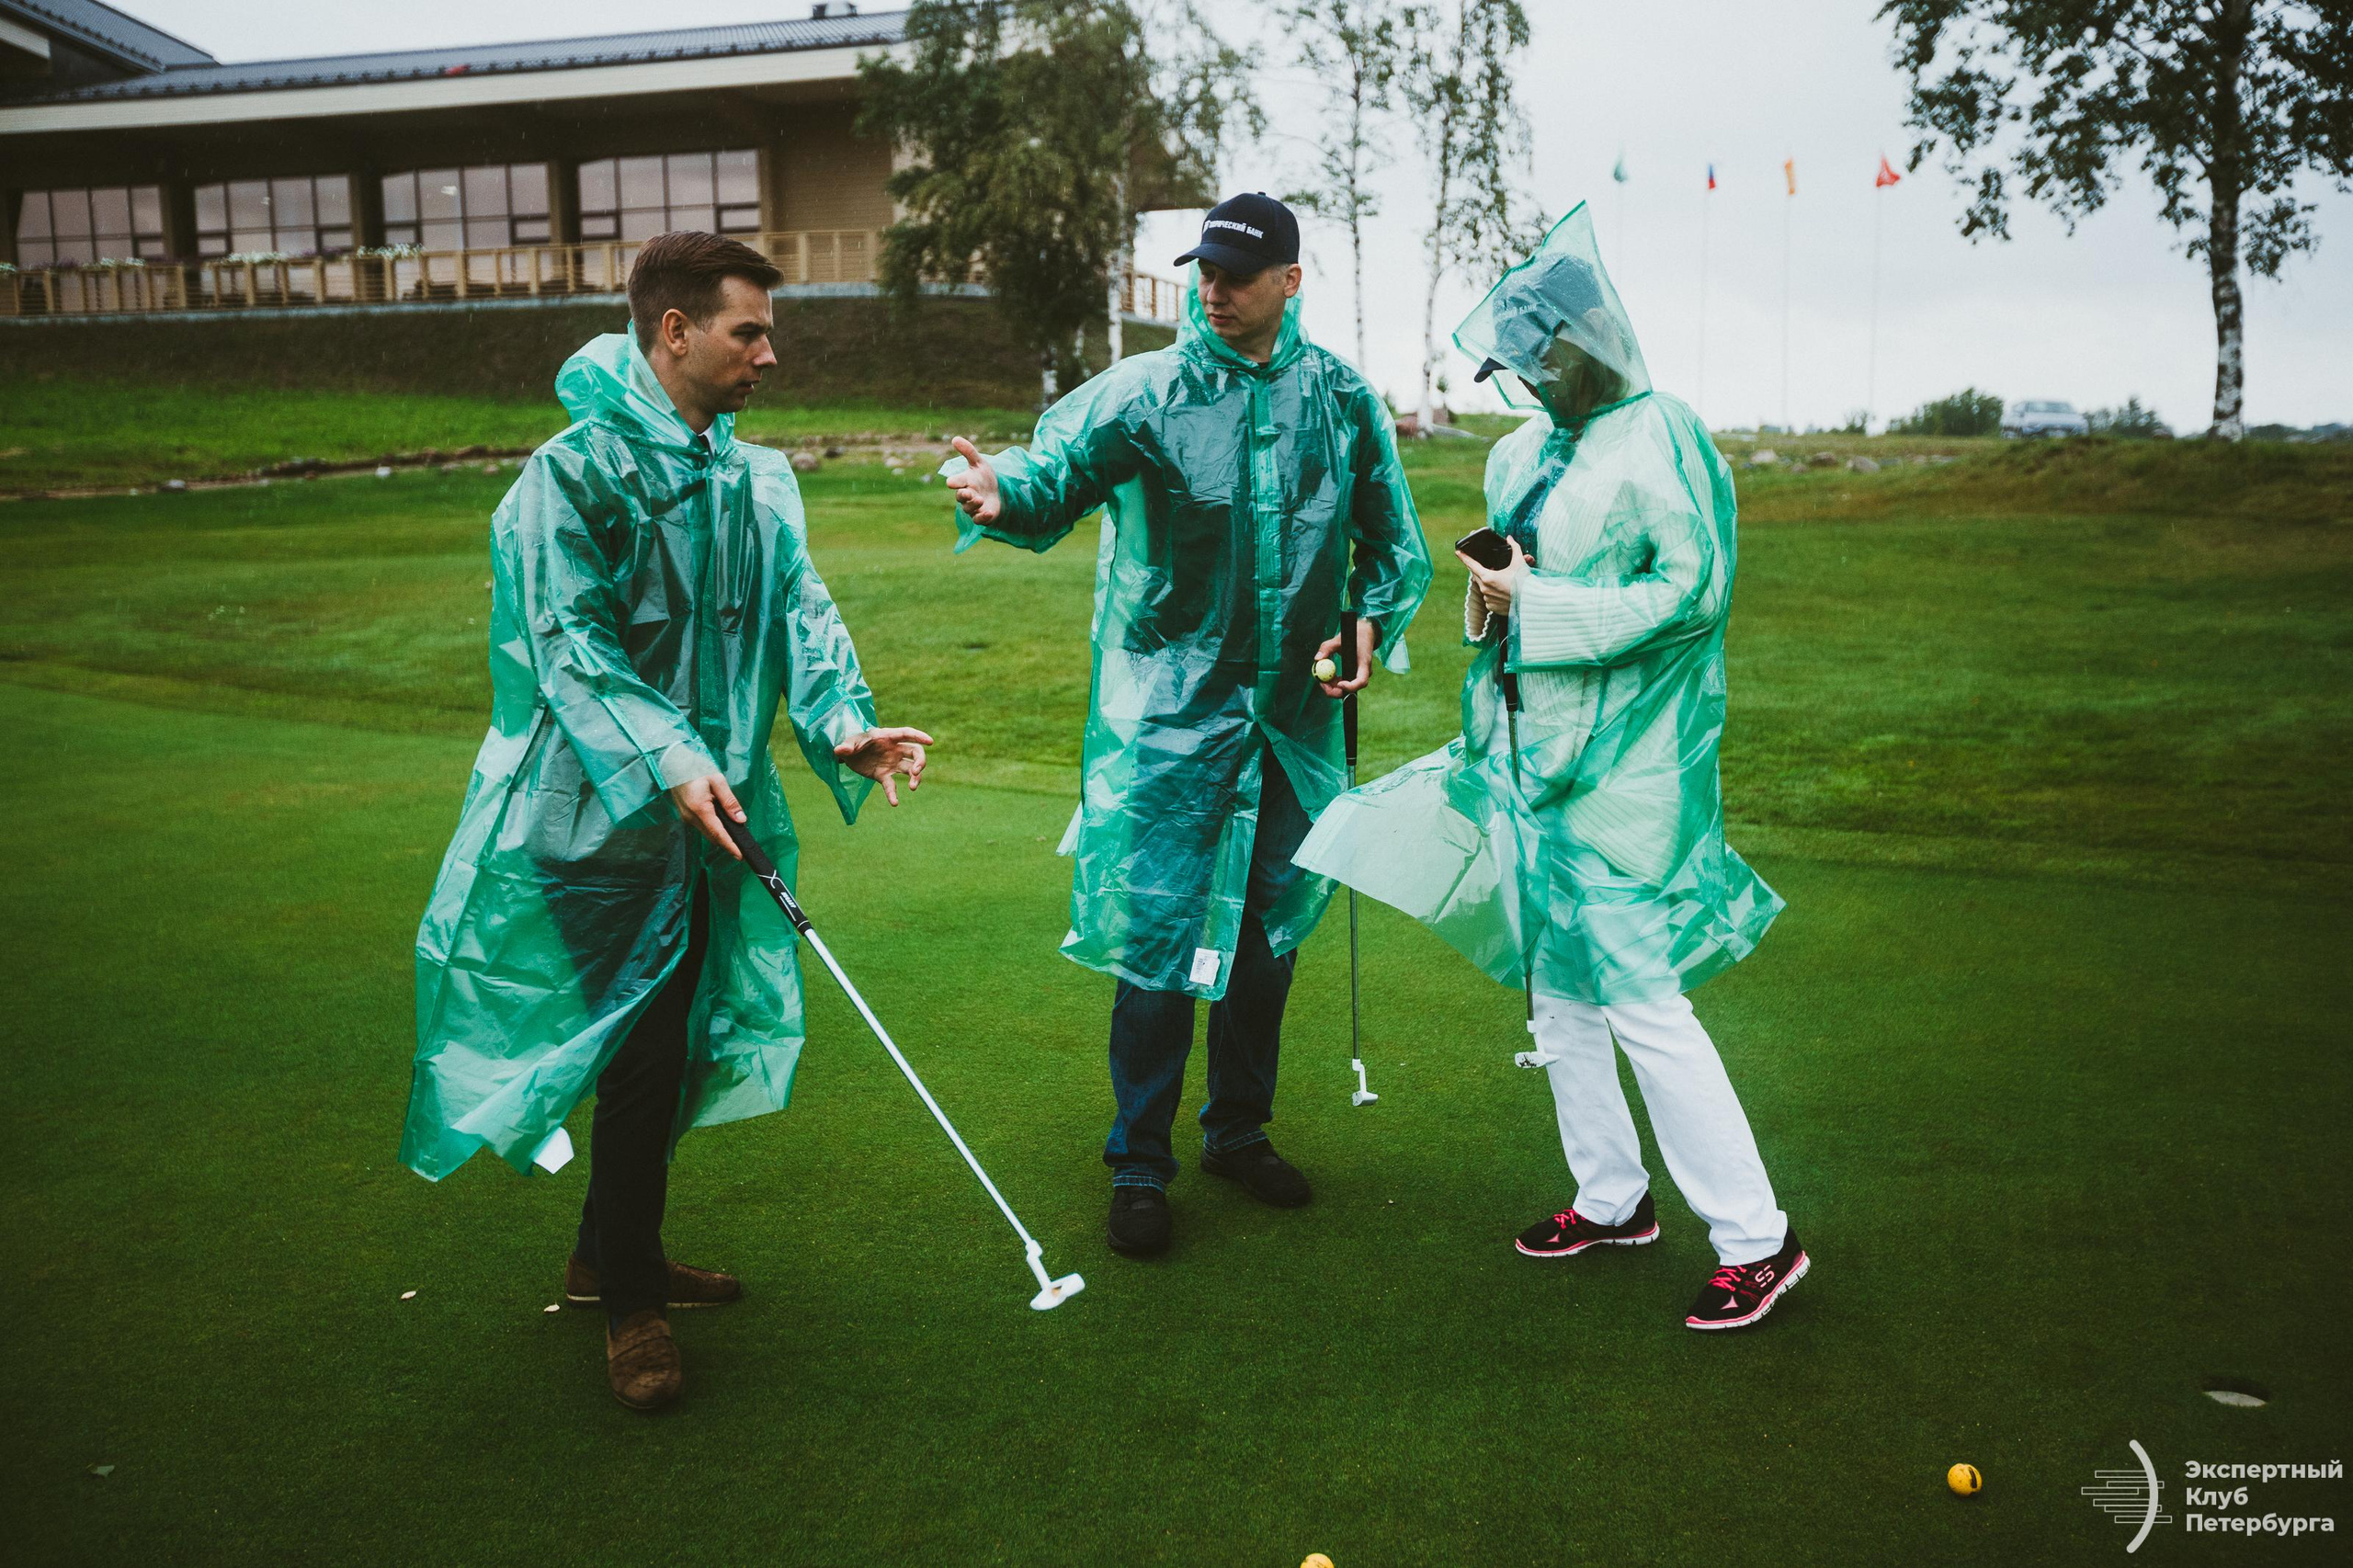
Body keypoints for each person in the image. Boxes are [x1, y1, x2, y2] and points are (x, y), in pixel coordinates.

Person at [402, 232, 934, 1409]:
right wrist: (672, 759)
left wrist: (845, 721)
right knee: (640, 1055)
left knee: (677, 1039)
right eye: (749, 330)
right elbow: (569, 644)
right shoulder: (571, 474)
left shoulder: (755, 478)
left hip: (712, 812)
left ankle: (611, 1252)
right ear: (674, 331)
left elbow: (803, 612)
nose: (770, 355)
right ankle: (630, 1303)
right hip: (592, 823)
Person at [1295, 205, 1806, 1331]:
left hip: (1630, 767)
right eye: (1512, 365)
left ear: (1585, 340)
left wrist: (1544, 602)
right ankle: (1611, 1196)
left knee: (1640, 995)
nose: (1524, 382)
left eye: (1536, 358)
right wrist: (1494, 603)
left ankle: (1757, 1238)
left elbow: (1693, 593)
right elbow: (1507, 595)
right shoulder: (1517, 451)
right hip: (1525, 749)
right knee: (1559, 987)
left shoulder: (1665, 432)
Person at [944, 193, 1433, 1257]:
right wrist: (1002, 494)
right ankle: (1137, 1159)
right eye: (1202, 269)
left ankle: (1237, 1131)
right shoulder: (1148, 391)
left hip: (1293, 723)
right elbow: (1059, 473)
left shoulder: (1342, 399)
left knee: (1266, 943)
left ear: (1290, 282)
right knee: (1158, 935)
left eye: (1237, 273)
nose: (1211, 288)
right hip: (1169, 719)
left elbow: (1394, 549)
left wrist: (1365, 621)